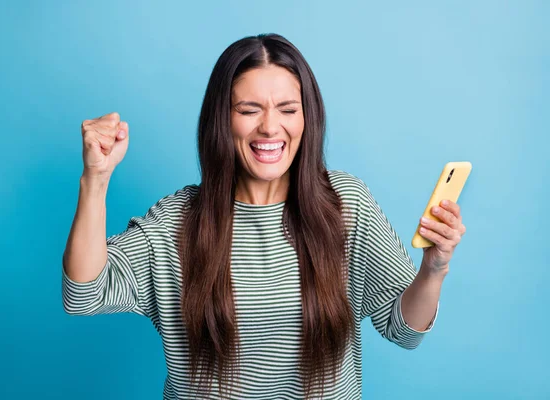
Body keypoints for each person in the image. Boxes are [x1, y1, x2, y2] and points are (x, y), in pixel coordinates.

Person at [62, 33, 466, 400]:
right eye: (249, 110)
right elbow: (84, 294)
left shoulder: (346, 205)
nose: (270, 127)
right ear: (222, 119)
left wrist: (433, 268)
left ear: (307, 118)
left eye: (288, 109)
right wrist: (95, 180)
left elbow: (405, 330)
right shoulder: (178, 223)